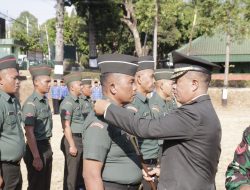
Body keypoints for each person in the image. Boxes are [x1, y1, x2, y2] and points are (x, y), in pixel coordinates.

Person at [94, 51, 222, 190]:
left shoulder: (193, 114)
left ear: (194, 84)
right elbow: (193, 159)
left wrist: (108, 109)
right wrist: (166, 171)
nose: (173, 86)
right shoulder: (203, 109)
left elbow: (145, 128)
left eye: (177, 81)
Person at [82, 54, 142, 190]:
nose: (135, 88)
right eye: (131, 82)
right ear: (113, 87)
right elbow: (91, 174)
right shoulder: (101, 121)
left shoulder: (121, 115)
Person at [125, 55, 158, 189]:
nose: (154, 81)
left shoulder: (147, 101)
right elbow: (130, 140)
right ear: (139, 79)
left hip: (153, 163)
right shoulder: (134, 104)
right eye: (151, 76)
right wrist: (140, 166)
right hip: (143, 165)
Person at [22, 64, 53, 190]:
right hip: (36, 148)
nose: (49, 84)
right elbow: (29, 133)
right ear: (36, 82)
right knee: (36, 186)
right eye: (47, 81)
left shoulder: (44, 101)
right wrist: (36, 157)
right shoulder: (31, 104)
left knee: (45, 185)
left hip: (45, 145)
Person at [0, 55, 25, 190]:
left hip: (15, 166)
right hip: (4, 168)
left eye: (18, 78)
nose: (18, 82)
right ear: (0, 81)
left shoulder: (13, 101)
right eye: (14, 78)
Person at [59, 72, 85, 190]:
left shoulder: (78, 101)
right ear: (72, 87)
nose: (82, 86)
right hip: (73, 139)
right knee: (72, 174)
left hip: (81, 139)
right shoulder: (68, 102)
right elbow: (66, 126)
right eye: (80, 84)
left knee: (79, 173)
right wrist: (72, 145)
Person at [149, 69, 177, 160]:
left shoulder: (170, 102)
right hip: (160, 152)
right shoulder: (153, 105)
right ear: (161, 86)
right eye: (171, 84)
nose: (174, 87)